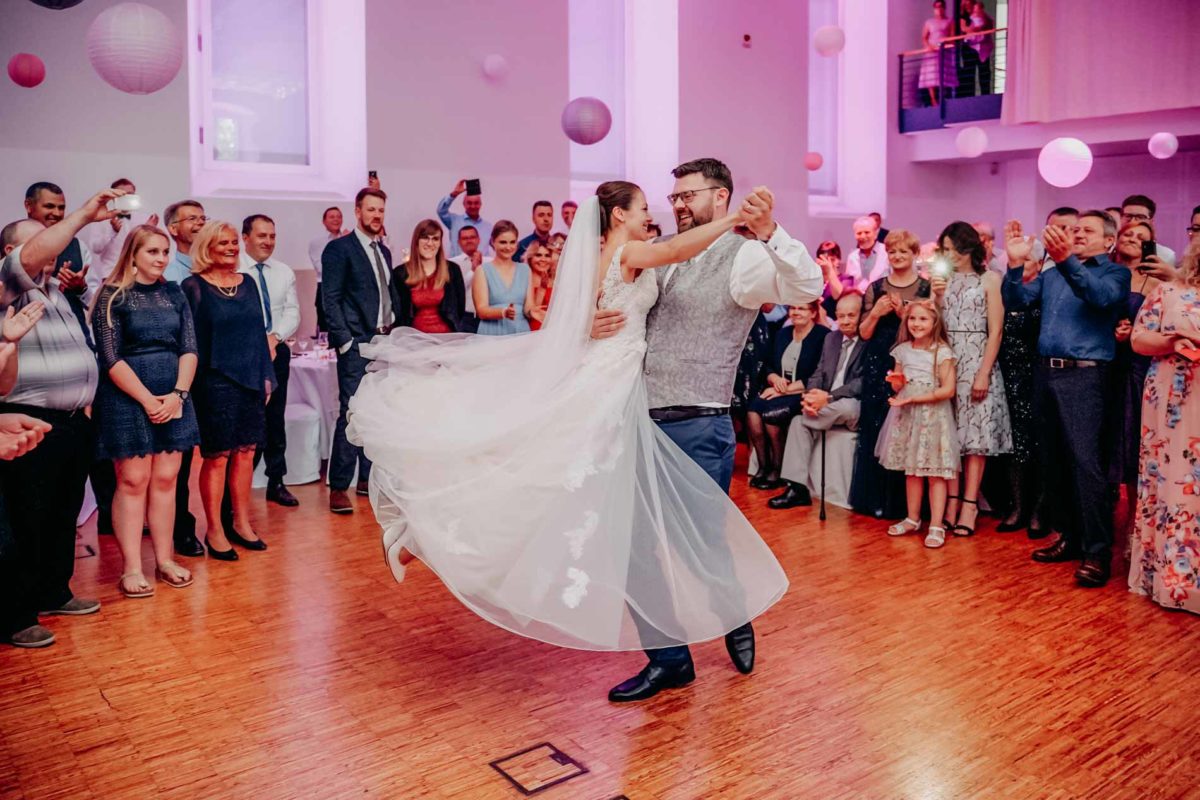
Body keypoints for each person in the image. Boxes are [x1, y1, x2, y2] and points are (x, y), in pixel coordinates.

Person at [347, 174, 805, 704]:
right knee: (561, 490)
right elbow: (669, 253)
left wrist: (586, 323)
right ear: (619, 216)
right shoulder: (631, 249)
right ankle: (668, 658)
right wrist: (737, 220)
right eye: (641, 209)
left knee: (547, 479)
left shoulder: (594, 253)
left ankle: (417, 535)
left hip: (625, 381)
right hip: (612, 384)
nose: (650, 216)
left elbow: (587, 310)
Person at [592, 157, 823, 702]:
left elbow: (805, 283)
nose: (676, 205)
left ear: (721, 197)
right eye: (673, 197)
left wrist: (769, 232)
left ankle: (734, 614)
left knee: (701, 547)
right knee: (632, 548)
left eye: (687, 195)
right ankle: (669, 661)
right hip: (635, 419)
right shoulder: (660, 255)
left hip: (699, 422)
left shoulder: (743, 258)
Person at [0, 187, 121, 648]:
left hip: (73, 420)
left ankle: (54, 591)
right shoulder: (7, 288)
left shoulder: (59, 291)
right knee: (27, 518)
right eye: (39, 242)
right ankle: (15, 614)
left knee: (62, 514)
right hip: (26, 420)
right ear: (14, 253)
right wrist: (85, 216)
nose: (51, 249)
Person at [1003, 211, 1130, 587]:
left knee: (1086, 466)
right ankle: (1069, 537)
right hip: (1046, 372)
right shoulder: (1053, 273)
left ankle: (1096, 553)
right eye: (1073, 229)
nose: (1076, 235)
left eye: (1086, 230)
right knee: (1053, 461)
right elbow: (1017, 301)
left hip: (1086, 376)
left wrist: (1065, 261)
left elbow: (1099, 297)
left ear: (1108, 241)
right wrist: (1013, 264)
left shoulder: (1114, 274)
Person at [90, 225, 200, 597]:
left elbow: (189, 347)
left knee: (167, 480)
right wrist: (148, 400)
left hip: (174, 396)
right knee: (133, 481)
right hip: (127, 397)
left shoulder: (174, 293)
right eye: (152, 251)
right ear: (133, 254)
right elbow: (109, 357)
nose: (161, 259)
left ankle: (165, 560)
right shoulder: (112, 296)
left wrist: (178, 395)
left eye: (164, 252)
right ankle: (132, 568)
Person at [181, 221, 276, 559]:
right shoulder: (192, 286)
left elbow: (258, 333)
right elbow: (188, 341)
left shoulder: (248, 283)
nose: (232, 248)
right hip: (212, 382)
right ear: (208, 246)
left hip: (250, 379)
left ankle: (241, 522)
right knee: (217, 457)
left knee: (247, 452)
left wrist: (266, 377)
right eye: (224, 243)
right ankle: (215, 530)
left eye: (235, 242)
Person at [1128, 241, 1200, 614]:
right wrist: (1173, 340)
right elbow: (1139, 340)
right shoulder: (1168, 292)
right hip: (1169, 396)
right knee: (1171, 475)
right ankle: (1169, 579)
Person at [322, 187, 401, 514]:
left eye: (380, 210)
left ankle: (368, 478)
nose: (376, 215)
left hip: (386, 341)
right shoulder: (339, 249)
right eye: (370, 210)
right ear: (358, 211)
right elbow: (331, 299)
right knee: (352, 411)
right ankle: (340, 486)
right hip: (357, 343)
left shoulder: (383, 251)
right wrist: (345, 341)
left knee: (378, 412)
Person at [931, 222, 1010, 538]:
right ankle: (950, 500)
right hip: (949, 361)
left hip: (977, 358)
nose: (946, 254)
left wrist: (983, 373)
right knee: (949, 436)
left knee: (975, 440)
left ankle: (969, 504)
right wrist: (936, 297)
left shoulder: (990, 279)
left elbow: (996, 330)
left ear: (965, 248)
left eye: (949, 248)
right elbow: (934, 325)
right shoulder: (942, 280)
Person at [850, 229, 931, 520]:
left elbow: (928, 332)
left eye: (903, 252)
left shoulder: (924, 287)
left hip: (911, 364)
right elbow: (863, 332)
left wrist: (903, 315)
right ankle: (873, 500)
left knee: (905, 429)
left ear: (914, 255)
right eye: (893, 251)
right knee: (874, 427)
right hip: (878, 364)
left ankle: (903, 505)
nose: (897, 256)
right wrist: (876, 313)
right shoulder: (876, 287)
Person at [769, 293, 866, 509]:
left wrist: (828, 398)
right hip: (825, 406)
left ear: (862, 315)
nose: (845, 321)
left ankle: (817, 409)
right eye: (840, 316)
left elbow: (863, 383)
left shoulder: (869, 341)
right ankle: (797, 488)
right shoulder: (832, 338)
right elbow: (818, 373)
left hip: (852, 405)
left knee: (846, 405)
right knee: (797, 422)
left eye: (851, 315)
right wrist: (811, 396)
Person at [878, 301, 960, 549]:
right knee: (911, 470)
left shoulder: (941, 352)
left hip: (932, 415)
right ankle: (913, 518)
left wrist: (915, 397)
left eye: (923, 319)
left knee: (934, 471)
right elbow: (897, 384)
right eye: (912, 319)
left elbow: (948, 389)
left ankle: (936, 524)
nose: (916, 324)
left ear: (935, 323)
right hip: (909, 414)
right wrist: (897, 381)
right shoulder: (902, 351)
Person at [233, 215, 300, 508]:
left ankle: (276, 480)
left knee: (276, 418)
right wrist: (257, 342)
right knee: (248, 419)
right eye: (262, 236)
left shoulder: (283, 271)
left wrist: (274, 338)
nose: (268, 242)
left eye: (272, 236)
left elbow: (292, 312)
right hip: (244, 354)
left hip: (276, 351)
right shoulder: (233, 270)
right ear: (245, 237)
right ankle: (238, 486)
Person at [1106, 220, 1162, 544]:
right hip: (1102, 366)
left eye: (1142, 238)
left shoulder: (1154, 281)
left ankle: (1133, 526)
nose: (1133, 239)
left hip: (1136, 369)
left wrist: (1132, 336)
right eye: (1128, 233)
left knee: (1131, 449)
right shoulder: (1104, 274)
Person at [161, 199, 208, 557]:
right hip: (179, 370)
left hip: (212, 370)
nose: (199, 223)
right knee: (180, 457)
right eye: (192, 219)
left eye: (203, 218)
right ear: (173, 228)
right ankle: (181, 527)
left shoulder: (217, 266)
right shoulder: (167, 272)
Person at [745, 300, 828, 490]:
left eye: (801, 308)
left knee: (772, 416)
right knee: (753, 412)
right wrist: (774, 379)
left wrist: (783, 390)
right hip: (779, 390)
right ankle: (764, 466)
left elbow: (818, 374)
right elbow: (768, 364)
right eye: (792, 308)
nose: (795, 312)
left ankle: (778, 469)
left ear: (813, 313)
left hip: (805, 392)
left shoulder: (822, 336)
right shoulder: (782, 334)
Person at [83, 178, 159, 295]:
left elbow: (148, 249)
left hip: (138, 275)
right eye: (123, 195)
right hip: (111, 276)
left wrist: (149, 231)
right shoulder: (101, 218)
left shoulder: (144, 218)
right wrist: (112, 232)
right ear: (113, 196)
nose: (128, 198)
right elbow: (95, 248)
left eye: (131, 195)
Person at [393, 219, 467, 334]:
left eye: (435, 239)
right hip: (412, 342)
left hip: (448, 341)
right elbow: (399, 313)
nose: (430, 243)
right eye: (425, 237)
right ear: (416, 241)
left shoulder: (453, 270)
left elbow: (459, 309)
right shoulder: (400, 273)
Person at [473, 221, 531, 336]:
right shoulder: (482, 270)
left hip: (520, 331)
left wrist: (534, 312)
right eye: (503, 242)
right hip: (492, 331)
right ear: (493, 242)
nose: (508, 247)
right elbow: (481, 310)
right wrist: (503, 312)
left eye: (512, 242)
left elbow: (528, 307)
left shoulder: (525, 270)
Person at [309, 206, 348, 334]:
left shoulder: (349, 238)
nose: (336, 219)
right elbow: (322, 268)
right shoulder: (317, 242)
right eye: (332, 217)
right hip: (325, 289)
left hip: (347, 289)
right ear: (324, 221)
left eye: (339, 216)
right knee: (327, 328)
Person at [437, 180, 492, 258]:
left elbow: (498, 245)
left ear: (480, 204)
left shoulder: (488, 227)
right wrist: (454, 194)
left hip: (481, 268)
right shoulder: (454, 221)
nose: (473, 206)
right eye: (469, 203)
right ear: (464, 204)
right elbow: (441, 211)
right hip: (457, 267)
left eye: (476, 203)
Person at [919, 0, 958, 106]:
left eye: (941, 7)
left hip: (944, 49)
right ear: (934, 9)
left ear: (944, 8)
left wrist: (946, 44)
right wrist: (929, 47)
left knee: (943, 73)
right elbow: (924, 37)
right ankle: (933, 99)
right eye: (936, 7)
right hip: (932, 50)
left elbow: (952, 36)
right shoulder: (929, 22)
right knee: (931, 73)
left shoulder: (949, 21)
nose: (939, 9)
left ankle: (943, 97)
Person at [1120, 194, 1176, 266]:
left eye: (1140, 217)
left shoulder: (1165, 256)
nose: (1133, 221)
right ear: (1120, 218)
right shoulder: (1107, 250)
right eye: (1128, 216)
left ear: (1151, 222)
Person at [448, 224, 483, 331]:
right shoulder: (452, 264)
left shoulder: (490, 261)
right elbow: (456, 290)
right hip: (465, 318)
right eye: (465, 238)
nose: (469, 241)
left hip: (488, 318)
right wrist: (473, 270)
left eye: (472, 237)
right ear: (459, 242)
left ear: (478, 239)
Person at [844, 217, 889, 290]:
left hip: (883, 297)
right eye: (859, 233)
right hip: (858, 298)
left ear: (876, 233)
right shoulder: (852, 257)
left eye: (867, 232)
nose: (863, 236)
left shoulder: (887, 252)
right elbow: (849, 283)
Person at [525, 241, 556, 331]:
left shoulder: (557, 280)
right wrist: (541, 289)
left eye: (547, 256)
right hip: (533, 330)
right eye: (538, 255)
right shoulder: (524, 279)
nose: (543, 259)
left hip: (554, 329)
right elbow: (531, 313)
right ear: (530, 258)